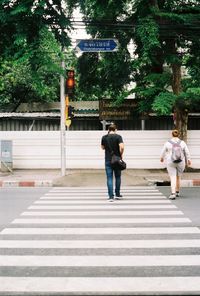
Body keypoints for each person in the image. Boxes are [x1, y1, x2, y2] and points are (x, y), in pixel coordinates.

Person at [160, 129, 191, 199]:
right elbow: (187, 152)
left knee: (173, 177)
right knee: (178, 177)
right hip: (181, 161)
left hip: (170, 161)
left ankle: (173, 193)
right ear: (178, 135)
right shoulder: (182, 143)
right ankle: (177, 191)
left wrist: (161, 158)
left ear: (172, 134)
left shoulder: (168, 143)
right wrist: (188, 160)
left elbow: (163, 151)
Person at [101, 123, 124, 201]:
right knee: (118, 177)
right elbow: (122, 147)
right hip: (117, 160)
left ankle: (111, 196)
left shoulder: (104, 137)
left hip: (108, 160)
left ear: (108, 130)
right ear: (115, 130)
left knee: (109, 178)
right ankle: (117, 194)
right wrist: (121, 154)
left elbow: (102, 148)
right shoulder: (118, 137)